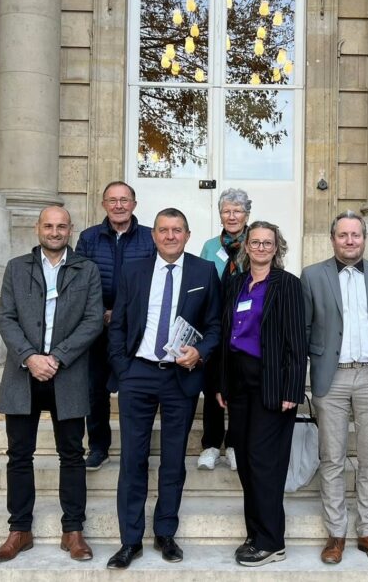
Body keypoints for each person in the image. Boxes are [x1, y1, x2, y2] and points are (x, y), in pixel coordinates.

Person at [105, 208, 222, 569]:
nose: (170, 236)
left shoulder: (204, 271)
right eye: (164, 230)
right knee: (132, 459)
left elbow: (215, 326)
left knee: (173, 460)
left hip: (179, 377)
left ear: (188, 235)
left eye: (177, 230)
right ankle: (130, 540)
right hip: (138, 374)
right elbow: (118, 324)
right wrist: (123, 369)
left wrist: (199, 354)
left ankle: (165, 533)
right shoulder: (134, 270)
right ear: (153, 235)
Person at [0, 206, 105, 563]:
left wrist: (56, 357)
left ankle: (73, 530)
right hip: (24, 373)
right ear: (38, 228)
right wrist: (30, 356)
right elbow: (6, 317)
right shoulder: (16, 267)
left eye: (61, 226)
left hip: (66, 373)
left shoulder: (87, 269)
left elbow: (93, 320)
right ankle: (19, 530)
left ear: (71, 230)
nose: (55, 232)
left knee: (71, 454)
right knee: (19, 454)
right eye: (49, 226)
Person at [300, 211, 368, 565]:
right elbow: (305, 327)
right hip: (332, 376)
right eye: (343, 235)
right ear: (333, 239)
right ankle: (336, 533)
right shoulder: (312, 276)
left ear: (364, 239)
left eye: (355, 235)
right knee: (332, 459)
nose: (350, 241)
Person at [216, 220, 307, 567]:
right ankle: (255, 533)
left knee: (264, 461)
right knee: (244, 459)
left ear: (277, 248)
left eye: (268, 243)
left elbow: (297, 341)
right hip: (238, 383)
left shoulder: (287, 284)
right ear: (246, 246)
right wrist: (222, 383)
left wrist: (293, 388)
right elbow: (226, 336)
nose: (261, 248)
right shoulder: (236, 283)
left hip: (272, 383)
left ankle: (272, 542)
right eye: (255, 242)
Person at [76, 181, 156, 469]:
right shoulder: (88, 238)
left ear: (134, 204)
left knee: (137, 390)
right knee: (95, 390)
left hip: (136, 329)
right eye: (113, 200)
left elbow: (155, 283)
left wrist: (122, 314)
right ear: (104, 204)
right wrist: (100, 313)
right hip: (97, 328)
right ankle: (98, 447)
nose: (119, 205)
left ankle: (137, 450)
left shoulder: (150, 238)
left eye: (124, 200)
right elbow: (79, 282)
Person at [196, 187, 252, 472]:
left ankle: (234, 444)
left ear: (247, 215)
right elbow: (201, 284)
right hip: (216, 324)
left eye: (237, 211)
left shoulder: (256, 242)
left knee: (240, 387)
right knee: (212, 384)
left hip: (247, 326)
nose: (232, 216)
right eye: (226, 211)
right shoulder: (209, 246)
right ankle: (210, 444)